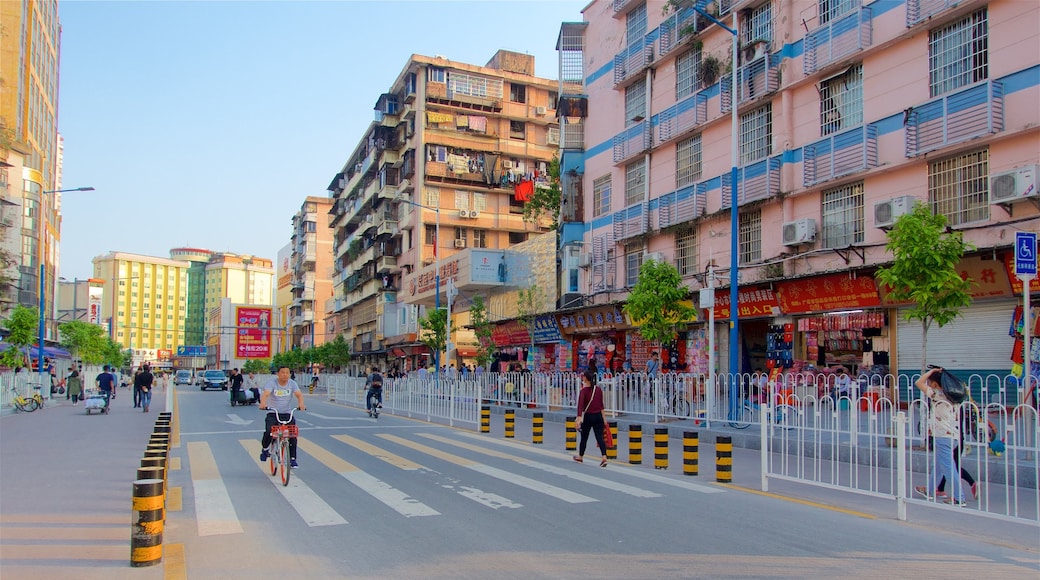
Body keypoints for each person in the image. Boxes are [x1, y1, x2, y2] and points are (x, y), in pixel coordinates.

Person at [914, 367, 965, 506]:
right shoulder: (952, 395)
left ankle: (959, 497)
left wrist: (930, 372)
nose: (928, 384)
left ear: (936, 384)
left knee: (948, 468)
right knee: (937, 465)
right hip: (952, 436)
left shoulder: (937, 394)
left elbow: (918, 382)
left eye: (930, 381)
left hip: (943, 436)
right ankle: (930, 491)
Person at [259, 366, 306, 468]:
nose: (285, 374)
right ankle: (265, 449)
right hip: (273, 412)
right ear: (278, 374)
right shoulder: (272, 383)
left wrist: (301, 404)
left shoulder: (292, 383)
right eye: (283, 372)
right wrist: (263, 404)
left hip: (286, 413)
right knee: (269, 431)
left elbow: (299, 395)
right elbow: (265, 394)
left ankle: (292, 459)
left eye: (287, 373)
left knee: (292, 434)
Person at [574, 369, 609, 467]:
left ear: (585, 378)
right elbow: (601, 405)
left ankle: (580, 457)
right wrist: (604, 419)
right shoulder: (598, 389)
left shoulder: (583, 391)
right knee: (600, 438)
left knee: (584, 438)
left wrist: (579, 418)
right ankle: (604, 457)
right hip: (598, 416)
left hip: (588, 417)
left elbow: (580, 406)